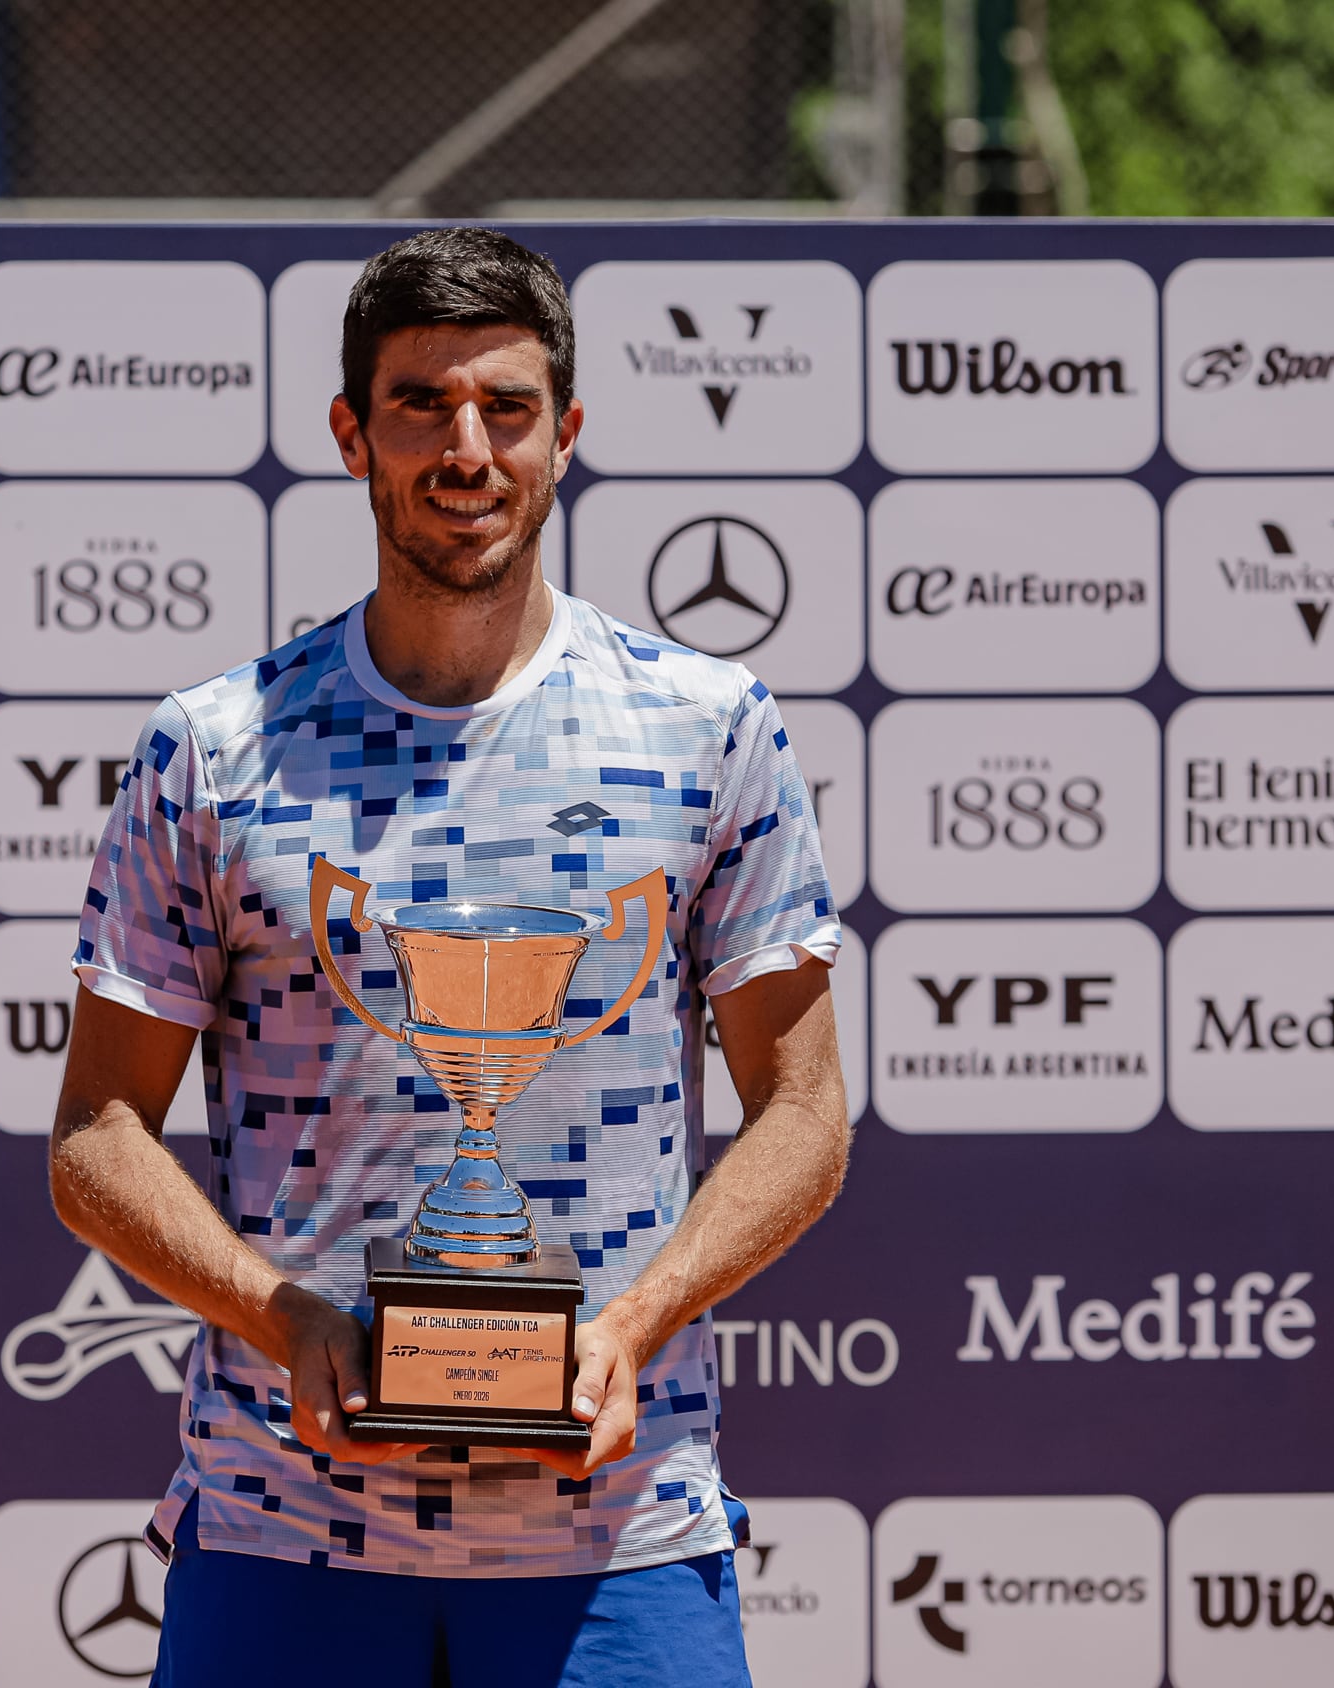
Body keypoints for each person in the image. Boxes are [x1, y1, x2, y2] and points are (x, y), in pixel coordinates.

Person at [48, 226, 851, 1688]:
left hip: (618, 1532)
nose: (465, 448)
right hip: (286, 1531)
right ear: (352, 433)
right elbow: (97, 1133)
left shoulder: (705, 728)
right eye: (419, 403)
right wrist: (285, 1322)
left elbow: (804, 1111)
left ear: (567, 436)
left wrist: (630, 1328)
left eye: (507, 407)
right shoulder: (218, 748)